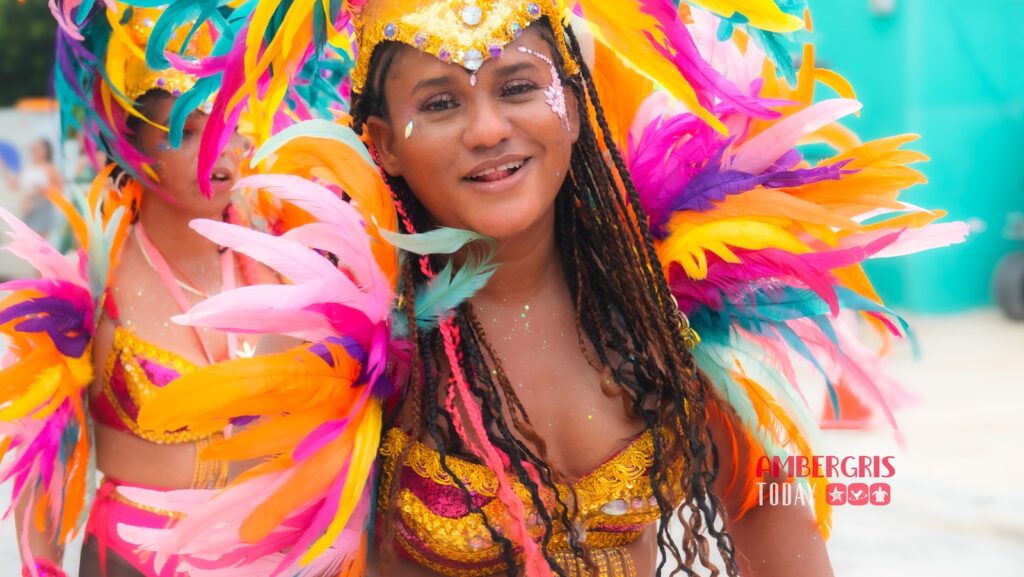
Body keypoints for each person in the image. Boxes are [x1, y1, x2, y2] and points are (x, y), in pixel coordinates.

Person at [113, 1, 967, 576]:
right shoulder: (347, 349)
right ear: (382, 142)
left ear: (573, 104)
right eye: (440, 103)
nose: (490, 129)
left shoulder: (672, 308)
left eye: (518, 86)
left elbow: (775, 514)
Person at [0, 5, 301, 576]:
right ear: (131, 143)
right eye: (186, 132)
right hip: (134, 561)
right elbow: (48, 461)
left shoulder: (287, 264)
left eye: (228, 127)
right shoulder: (89, 289)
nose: (217, 152)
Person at [2, 138, 62, 238]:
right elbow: (14, 185)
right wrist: (4, 169)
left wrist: (41, 190)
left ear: (46, 151)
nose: (36, 152)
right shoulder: (28, 167)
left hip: (42, 208)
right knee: (25, 240)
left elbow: (59, 190)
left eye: (39, 149)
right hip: (27, 208)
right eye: (35, 149)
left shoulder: (50, 169)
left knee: (39, 241)